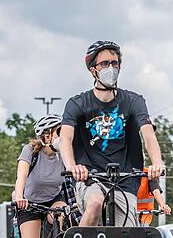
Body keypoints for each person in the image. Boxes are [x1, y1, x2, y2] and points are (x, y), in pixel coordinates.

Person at [58, 40, 164, 227]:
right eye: (105, 63)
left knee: (129, 234)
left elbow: (148, 135)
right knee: (95, 203)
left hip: (126, 179)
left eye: (115, 63)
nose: (111, 68)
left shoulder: (133, 101)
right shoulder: (77, 103)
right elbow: (65, 138)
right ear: (93, 70)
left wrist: (157, 163)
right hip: (90, 177)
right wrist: (73, 167)